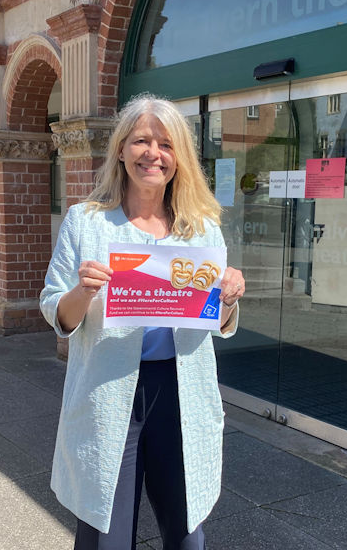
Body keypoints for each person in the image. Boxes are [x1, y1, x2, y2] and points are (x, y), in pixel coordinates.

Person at [40, 94, 245, 550]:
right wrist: (82, 291)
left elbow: (217, 320)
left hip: (181, 391)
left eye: (166, 144)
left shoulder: (201, 228)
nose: (154, 153)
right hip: (109, 390)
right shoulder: (86, 222)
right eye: (141, 141)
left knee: (186, 532)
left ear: (180, 157)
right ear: (120, 149)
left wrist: (228, 297)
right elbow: (57, 313)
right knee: (105, 534)